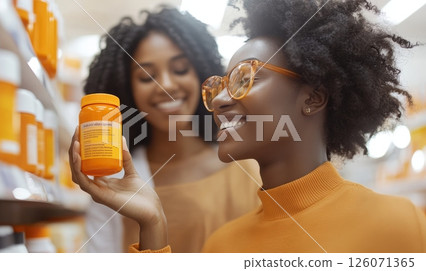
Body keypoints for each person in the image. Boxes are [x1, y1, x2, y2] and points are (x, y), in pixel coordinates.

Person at [70, 0, 426, 253]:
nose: (221, 100)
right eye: (221, 85)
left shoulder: (402, 224)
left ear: (314, 97)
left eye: (245, 78)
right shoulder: (223, 245)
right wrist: (152, 227)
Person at [80, 7, 261, 253]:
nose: (165, 85)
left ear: (201, 74)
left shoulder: (248, 168)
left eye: (180, 69)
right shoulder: (113, 182)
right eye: (146, 77)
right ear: (126, 88)